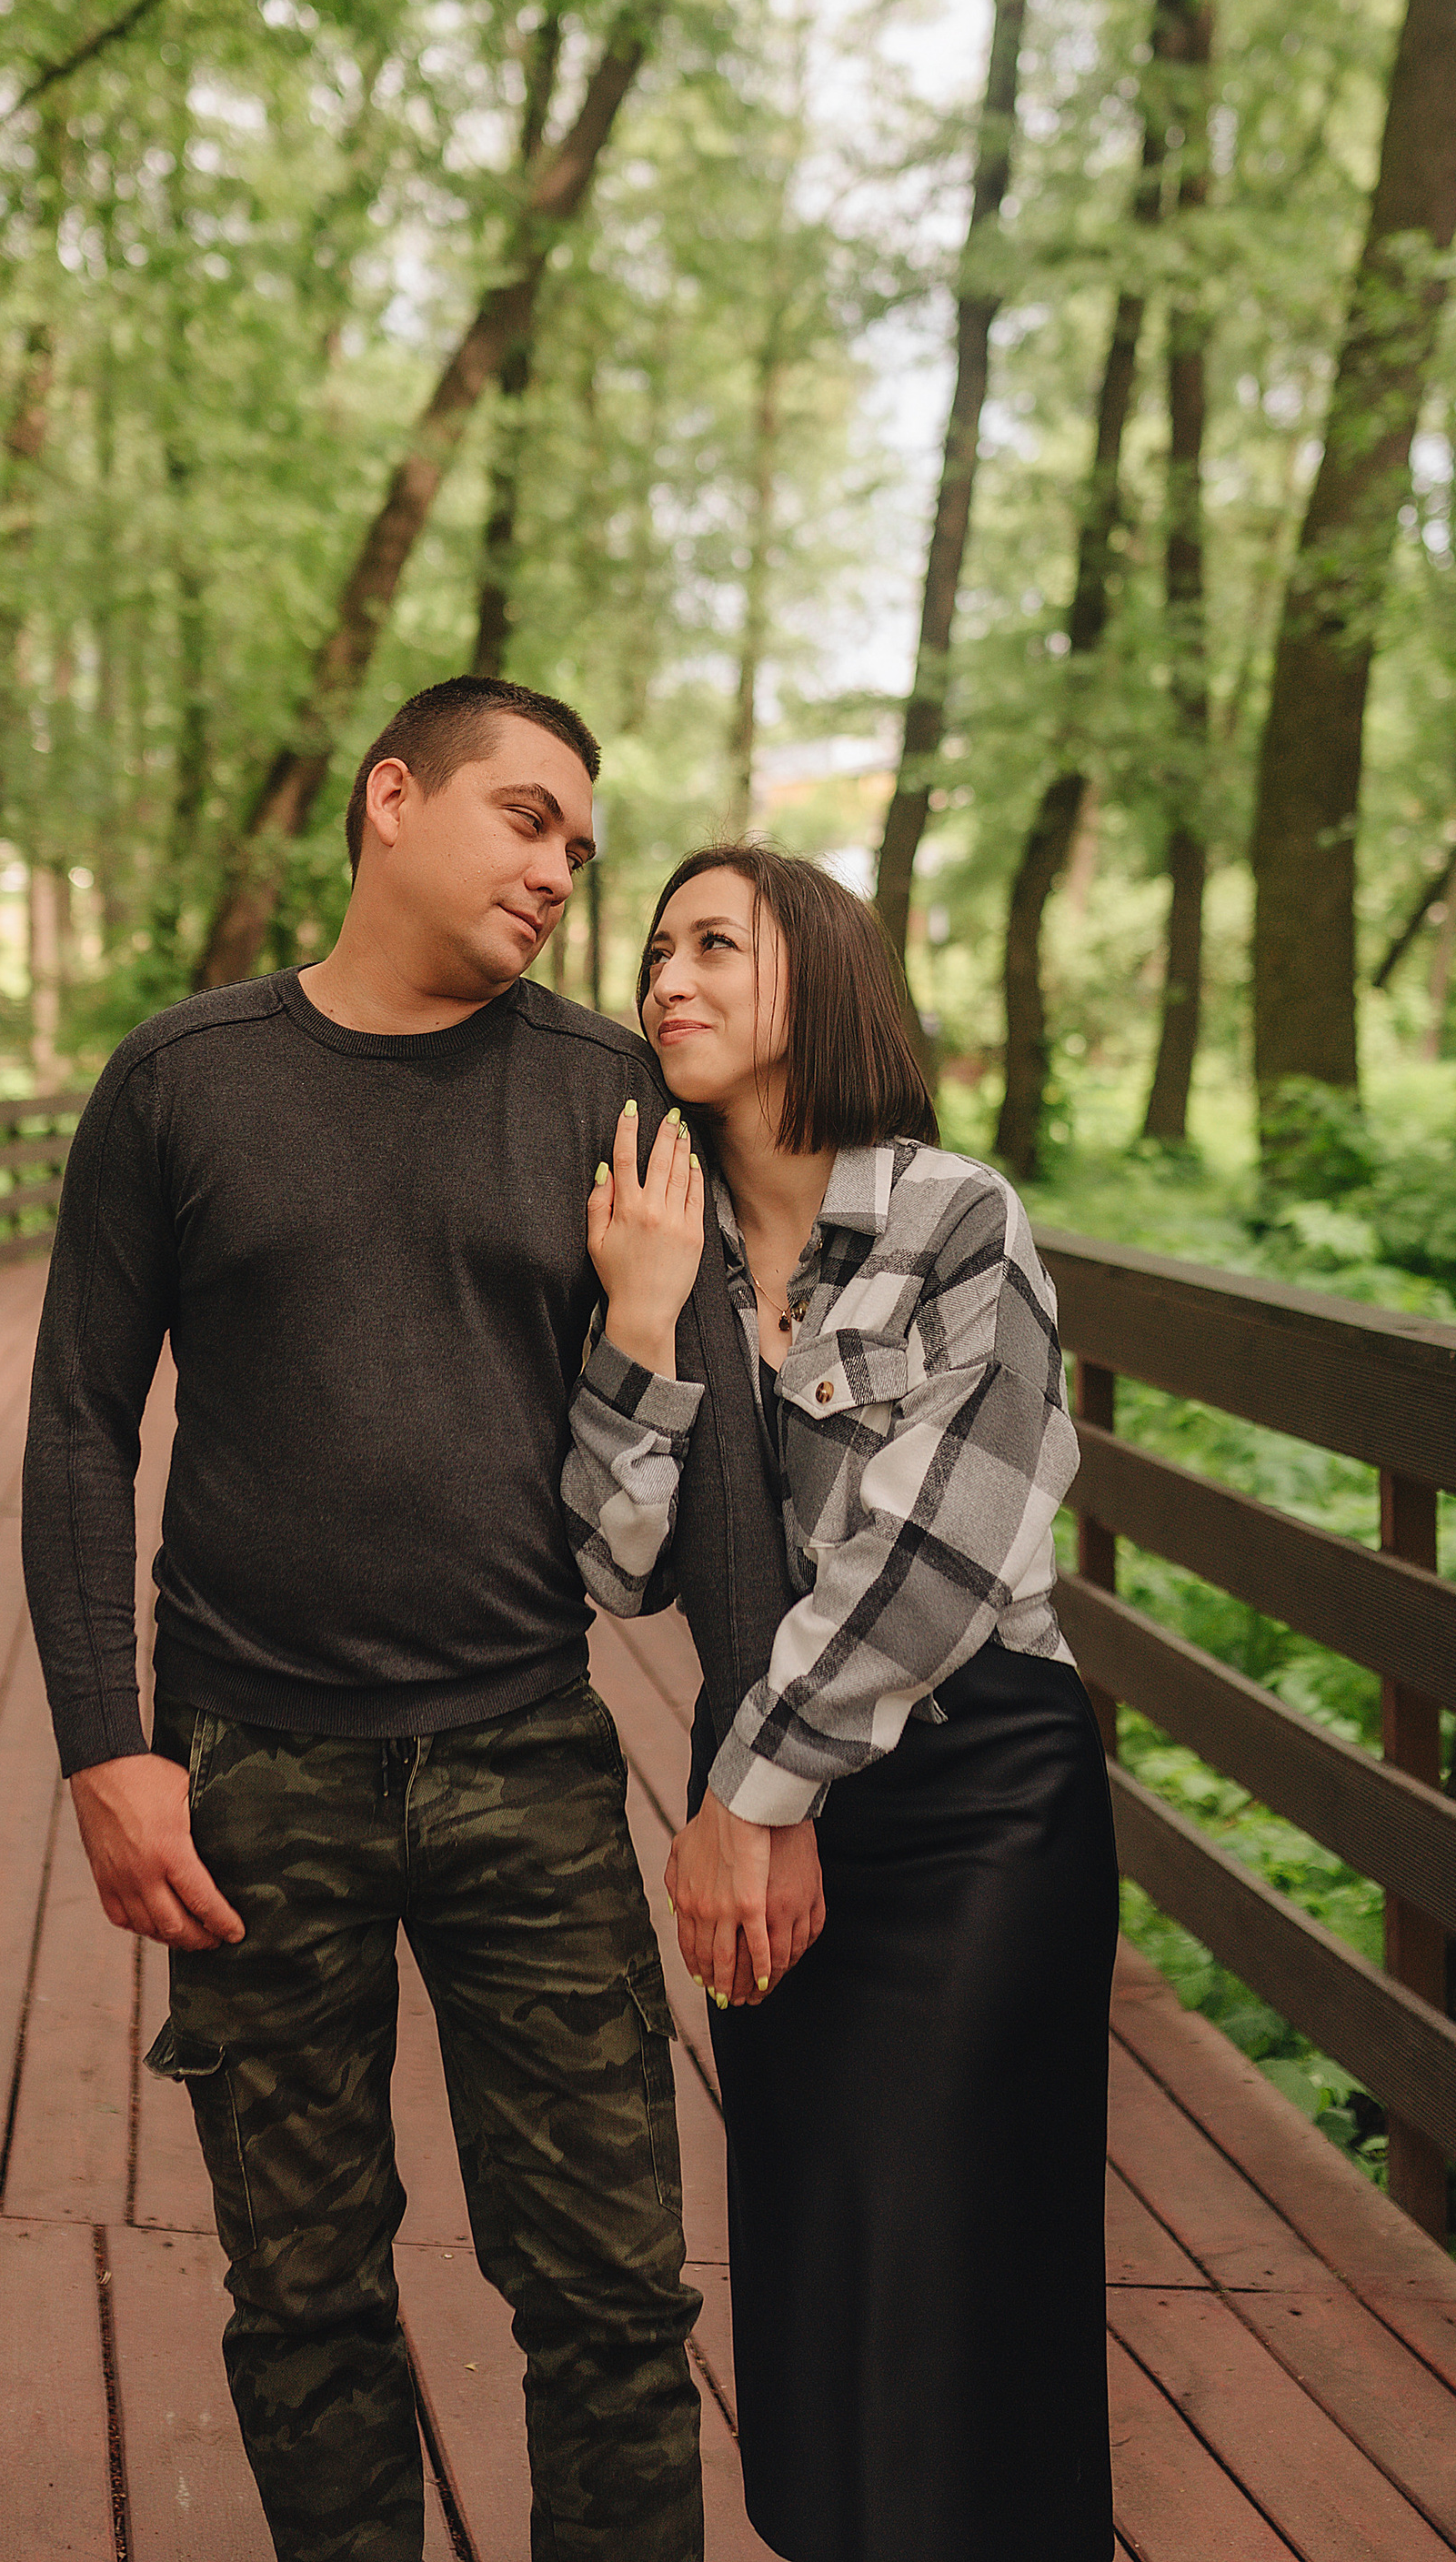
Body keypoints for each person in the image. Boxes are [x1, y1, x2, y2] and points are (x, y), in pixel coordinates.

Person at [20, 680, 818, 2562]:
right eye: (527, 818)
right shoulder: (181, 1077)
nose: (560, 870)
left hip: (525, 1762)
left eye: (578, 844)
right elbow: (77, 1414)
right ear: (393, 798)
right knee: (302, 2298)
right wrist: (100, 1739)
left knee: (616, 2298)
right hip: (244, 1773)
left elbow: (709, 1447)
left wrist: (748, 1771)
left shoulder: (600, 1087)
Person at [563, 843, 1119, 2562]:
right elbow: (613, 1557)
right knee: (809, 2261)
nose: (668, 974)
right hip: (779, 1804)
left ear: (820, 973)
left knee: (948, 2259)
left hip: (976, 1808)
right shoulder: (669, 1244)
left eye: (714, 941)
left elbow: (936, 1560)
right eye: (656, 946)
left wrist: (750, 1796)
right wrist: (643, 1325)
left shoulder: (964, 1222)